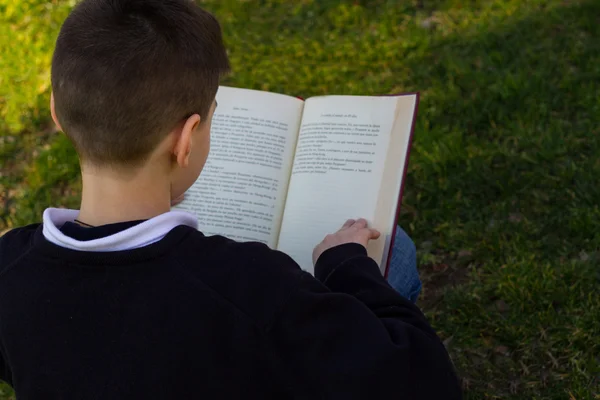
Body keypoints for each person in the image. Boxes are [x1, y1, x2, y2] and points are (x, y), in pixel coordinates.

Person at [0, 0, 462, 398]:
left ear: (58, 115)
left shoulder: (10, 267)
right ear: (186, 139)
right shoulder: (253, 287)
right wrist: (346, 267)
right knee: (394, 250)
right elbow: (426, 381)